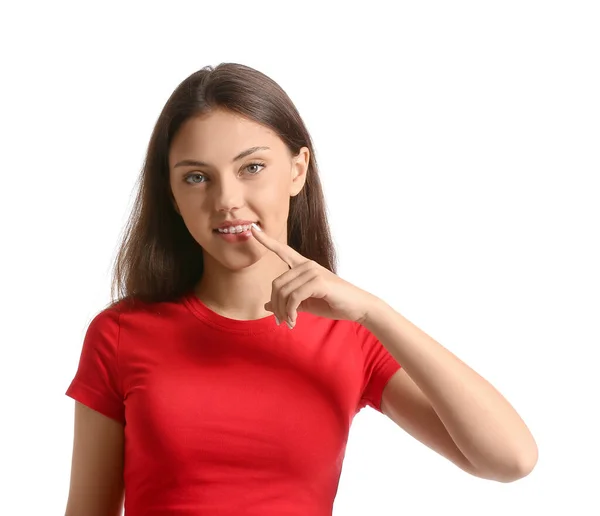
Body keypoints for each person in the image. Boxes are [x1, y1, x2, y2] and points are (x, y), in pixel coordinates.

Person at [64, 63, 538, 516]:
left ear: (297, 170)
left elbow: (510, 459)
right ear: (172, 194)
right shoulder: (121, 334)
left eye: (251, 168)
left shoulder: (351, 336)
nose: (227, 201)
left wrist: (375, 313)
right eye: (196, 177)